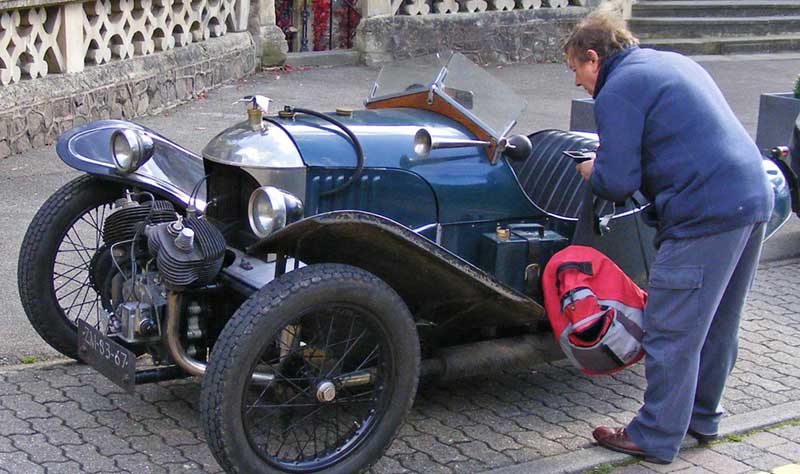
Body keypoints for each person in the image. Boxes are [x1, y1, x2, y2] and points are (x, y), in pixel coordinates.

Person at [562, 11, 774, 464]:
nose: (578, 82)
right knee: (717, 323)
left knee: (670, 328)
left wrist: (592, 170)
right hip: (752, 196)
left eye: (575, 70)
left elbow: (617, 182)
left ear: (593, 58)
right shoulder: (667, 62)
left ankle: (655, 434)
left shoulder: (616, 89)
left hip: (705, 211)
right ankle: (701, 417)